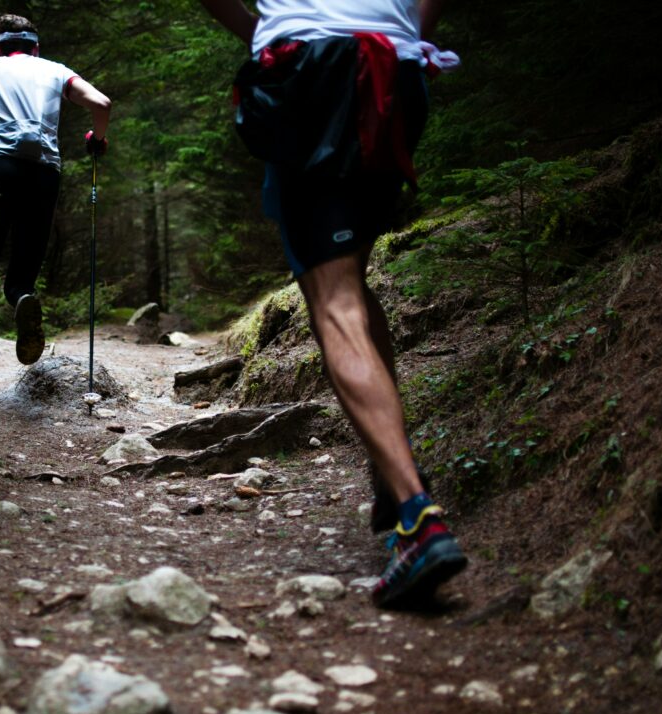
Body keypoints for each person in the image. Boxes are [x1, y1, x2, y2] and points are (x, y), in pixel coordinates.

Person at [198, 0, 466, 608]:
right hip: (395, 72)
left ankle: (418, 519)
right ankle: (392, 478)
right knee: (353, 278)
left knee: (334, 299)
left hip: (306, 68)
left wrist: (261, 31)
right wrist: (409, 43)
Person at [0, 14, 111, 407]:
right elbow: (101, 103)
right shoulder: (56, 71)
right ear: (36, 48)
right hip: (45, 173)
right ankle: (22, 299)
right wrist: (97, 138)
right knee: (21, 278)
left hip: (0, 168)